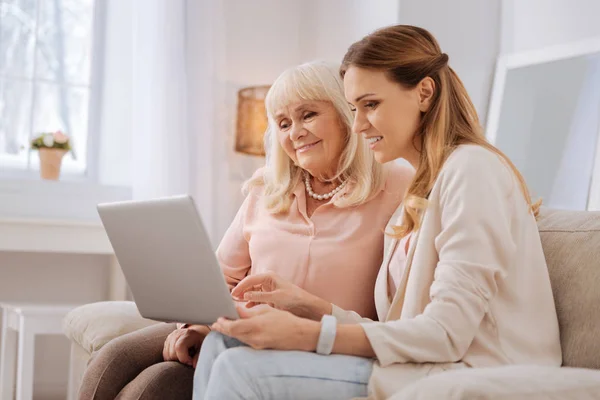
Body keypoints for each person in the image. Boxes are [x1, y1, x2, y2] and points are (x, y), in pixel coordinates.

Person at [193, 25, 562, 400]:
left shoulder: (472, 170)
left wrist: (308, 333)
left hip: (474, 373)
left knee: (240, 369)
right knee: (223, 345)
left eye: (370, 105)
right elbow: (397, 330)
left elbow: (446, 335)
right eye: (353, 109)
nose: (357, 125)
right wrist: (309, 307)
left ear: (424, 92)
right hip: (417, 366)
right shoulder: (419, 190)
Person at [78, 61, 414, 399]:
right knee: (113, 358)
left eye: (308, 115)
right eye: (283, 123)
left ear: (346, 114)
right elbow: (222, 275)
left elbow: (397, 307)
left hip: (308, 342)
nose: (294, 132)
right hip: (233, 324)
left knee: (155, 386)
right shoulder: (266, 189)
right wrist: (195, 326)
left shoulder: (396, 186)